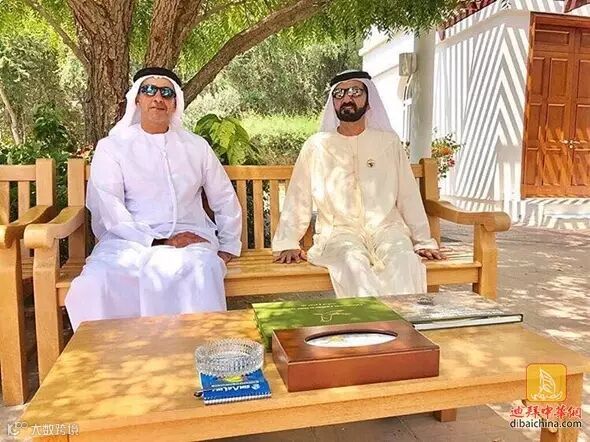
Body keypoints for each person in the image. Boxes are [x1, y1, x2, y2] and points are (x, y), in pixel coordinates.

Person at [66, 67, 242, 330]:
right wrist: (157, 241)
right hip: (127, 242)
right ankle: (115, 352)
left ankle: (196, 348)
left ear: (175, 103)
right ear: (137, 99)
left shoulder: (196, 146)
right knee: (97, 279)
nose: (158, 98)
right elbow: (109, 207)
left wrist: (228, 244)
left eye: (166, 93)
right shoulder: (113, 147)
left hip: (190, 237)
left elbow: (223, 195)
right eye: (149, 90)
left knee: (202, 267)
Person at [272, 70, 445, 297]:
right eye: (339, 93)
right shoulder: (317, 146)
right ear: (333, 103)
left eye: (355, 91)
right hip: (338, 233)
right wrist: (288, 241)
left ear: (368, 99)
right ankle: (371, 320)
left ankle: (405, 319)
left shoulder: (388, 142)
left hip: (388, 229)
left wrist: (422, 240)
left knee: (403, 259)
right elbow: (299, 195)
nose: (347, 98)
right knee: (353, 262)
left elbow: (408, 195)